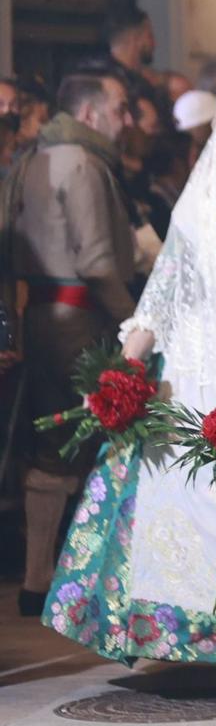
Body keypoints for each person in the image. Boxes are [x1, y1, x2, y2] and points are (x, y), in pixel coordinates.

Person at [44, 63, 216, 664]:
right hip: (209, 361)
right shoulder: (202, 199)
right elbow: (165, 292)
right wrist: (122, 371)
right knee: (189, 486)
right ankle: (200, 631)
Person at [3, 71, 136, 616]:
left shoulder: (33, 157)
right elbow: (98, 261)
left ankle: (39, 580)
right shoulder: (80, 163)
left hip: (41, 314)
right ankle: (67, 580)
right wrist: (135, 320)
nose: (126, 119)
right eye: (120, 108)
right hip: (79, 321)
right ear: (91, 114)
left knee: (51, 446)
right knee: (89, 442)